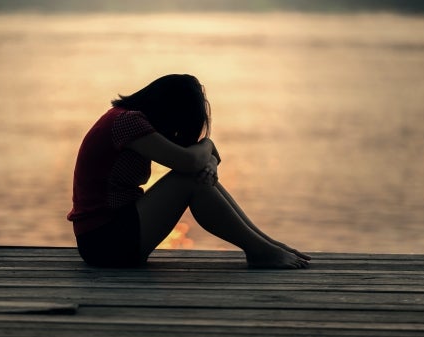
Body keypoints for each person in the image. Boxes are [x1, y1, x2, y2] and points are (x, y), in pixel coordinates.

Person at [67, 74, 310, 268]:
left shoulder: (127, 121)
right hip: (104, 241)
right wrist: (209, 144)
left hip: (111, 235)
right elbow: (190, 161)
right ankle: (260, 250)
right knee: (188, 179)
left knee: (193, 176)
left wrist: (210, 162)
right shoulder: (127, 122)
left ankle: (265, 245)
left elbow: (199, 161)